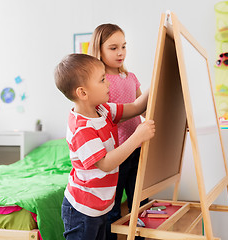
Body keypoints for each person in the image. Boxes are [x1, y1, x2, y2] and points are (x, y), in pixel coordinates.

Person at [54, 53, 155, 240]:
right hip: (82, 210)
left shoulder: (103, 109)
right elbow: (106, 163)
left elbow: (137, 106)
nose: (108, 83)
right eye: (102, 80)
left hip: (100, 206)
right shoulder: (81, 127)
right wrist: (137, 136)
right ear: (83, 93)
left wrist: (156, 77)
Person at [88, 23, 148, 239]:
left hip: (138, 148)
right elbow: (115, 112)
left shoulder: (131, 77)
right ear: (99, 49)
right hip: (117, 153)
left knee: (139, 204)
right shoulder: (99, 82)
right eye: (113, 48)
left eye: (123, 46)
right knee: (113, 209)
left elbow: (144, 106)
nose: (120, 52)